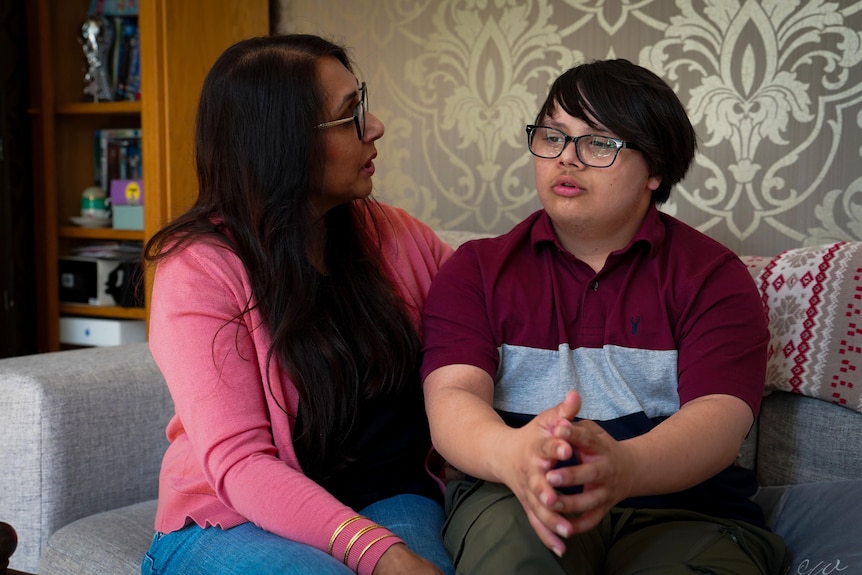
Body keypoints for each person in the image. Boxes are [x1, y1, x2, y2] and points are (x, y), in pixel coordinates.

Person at [420, 59, 788, 574]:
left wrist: (625, 467)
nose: (565, 160)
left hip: (684, 511)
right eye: (553, 136)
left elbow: (720, 419)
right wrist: (512, 455)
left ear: (654, 170)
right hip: (517, 499)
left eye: (598, 143)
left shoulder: (713, 276)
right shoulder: (476, 270)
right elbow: (452, 397)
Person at [141, 34, 455, 575]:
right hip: (235, 517)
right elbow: (241, 466)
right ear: (282, 143)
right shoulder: (197, 271)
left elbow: (490, 306)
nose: (375, 125)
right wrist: (379, 554)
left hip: (389, 494)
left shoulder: (395, 235)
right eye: (350, 114)